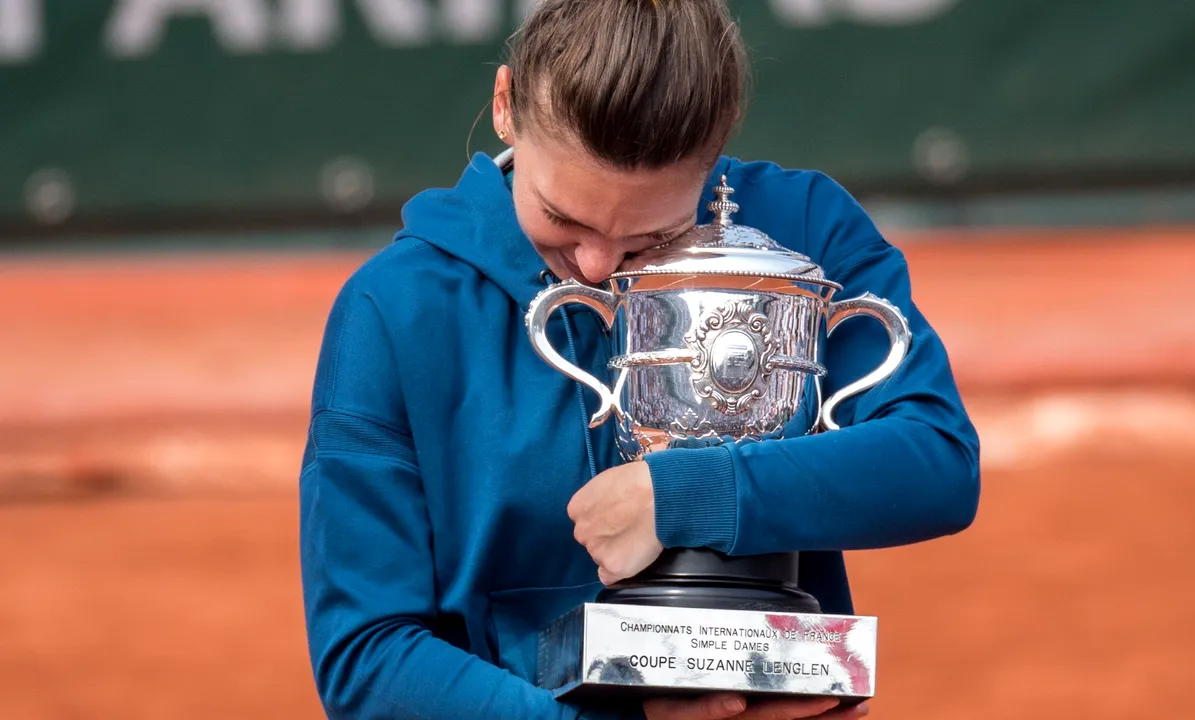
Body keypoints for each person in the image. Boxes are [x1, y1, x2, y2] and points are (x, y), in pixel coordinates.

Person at [298, 1, 981, 719]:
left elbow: (937, 460)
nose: (596, 266)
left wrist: (688, 496)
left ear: (714, 150)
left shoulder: (802, 230)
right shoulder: (394, 308)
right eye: (561, 218)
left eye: (650, 238)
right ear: (504, 106)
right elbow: (366, 655)